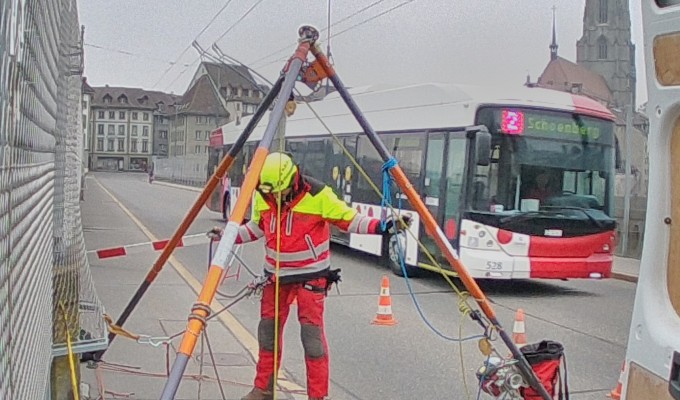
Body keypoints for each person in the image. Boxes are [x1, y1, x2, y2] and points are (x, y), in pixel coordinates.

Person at [211, 152, 409, 400]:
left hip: (310, 278)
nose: (275, 198)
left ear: (292, 181)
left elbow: (349, 220)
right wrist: (227, 236)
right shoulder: (264, 195)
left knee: (311, 339)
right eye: (271, 193)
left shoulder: (318, 195)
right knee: (267, 334)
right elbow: (256, 228)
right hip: (275, 277)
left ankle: (317, 396)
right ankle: (263, 389)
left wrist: (383, 226)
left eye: (279, 193)